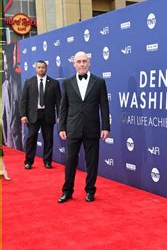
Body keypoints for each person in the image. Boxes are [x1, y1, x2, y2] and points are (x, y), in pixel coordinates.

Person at [58, 51, 110, 203]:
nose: (82, 64)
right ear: (74, 64)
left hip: (92, 128)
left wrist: (105, 127)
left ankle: (90, 191)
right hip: (72, 128)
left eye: (84, 61)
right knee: (70, 162)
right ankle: (67, 191)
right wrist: (62, 127)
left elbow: (104, 107)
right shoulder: (67, 82)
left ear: (89, 63)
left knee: (92, 162)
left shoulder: (99, 82)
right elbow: (63, 107)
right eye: (79, 61)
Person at [20, 60, 61, 169]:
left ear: (46, 68)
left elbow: (59, 101)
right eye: (39, 67)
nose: (41, 69)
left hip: (48, 115)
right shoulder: (28, 82)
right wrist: (23, 115)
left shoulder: (54, 83)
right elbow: (24, 100)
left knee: (48, 139)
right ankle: (28, 161)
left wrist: (60, 115)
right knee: (31, 139)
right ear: (36, 68)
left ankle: (47, 161)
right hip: (33, 115)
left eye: (43, 67)